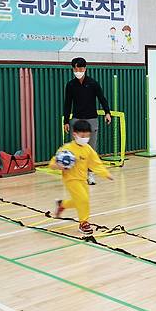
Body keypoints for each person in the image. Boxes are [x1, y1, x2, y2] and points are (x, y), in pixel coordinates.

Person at [51, 120, 113, 235]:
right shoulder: (67, 149)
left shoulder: (88, 149)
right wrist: (58, 166)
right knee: (83, 200)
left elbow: (95, 163)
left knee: (80, 201)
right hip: (71, 179)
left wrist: (105, 173)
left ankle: (62, 204)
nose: (85, 138)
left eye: (88, 136)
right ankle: (83, 223)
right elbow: (52, 163)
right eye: (82, 136)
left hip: (83, 180)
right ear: (75, 134)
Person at [63, 57, 112, 185]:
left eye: (80, 68)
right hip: (76, 120)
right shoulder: (70, 85)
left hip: (91, 119)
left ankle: (90, 175)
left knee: (91, 149)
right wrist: (66, 121)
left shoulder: (93, 83)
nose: (77, 70)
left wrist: (107, 112)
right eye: (75, 68)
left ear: (85, 68)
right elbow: (67, 104)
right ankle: (76, 175)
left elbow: (102, 98)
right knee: (74, 150)